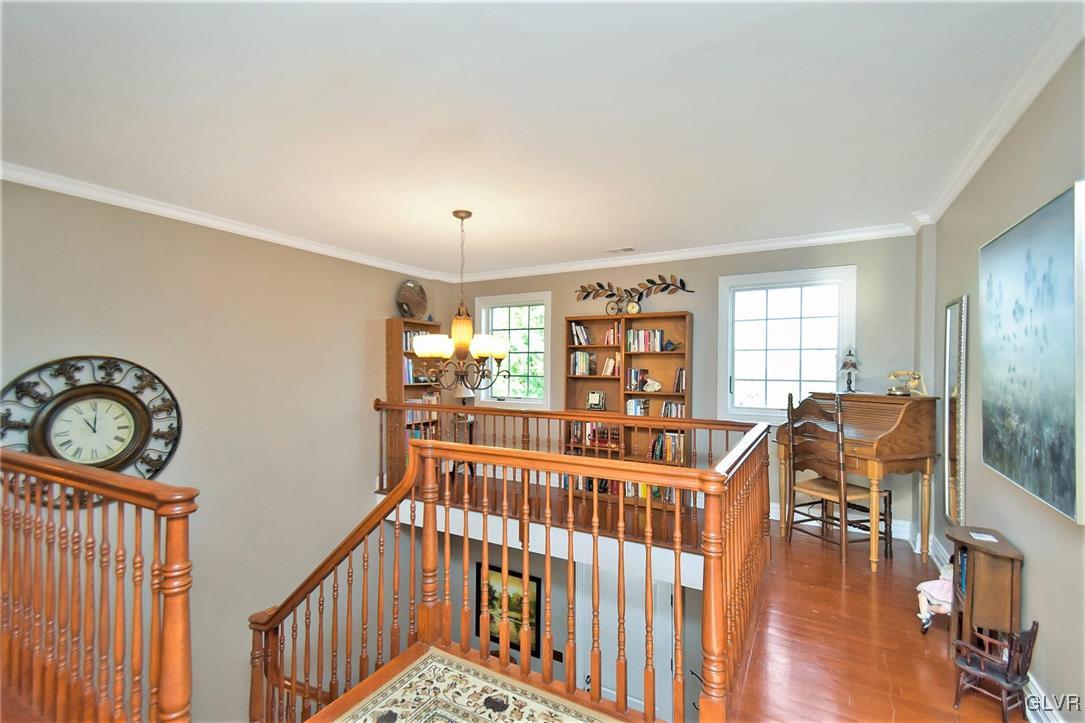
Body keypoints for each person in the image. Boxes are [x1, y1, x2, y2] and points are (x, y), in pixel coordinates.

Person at [917, 561, 954, 633]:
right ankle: (925, 618)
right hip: (943, 589)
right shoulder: (950, 570)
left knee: (943, 609)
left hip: (950, 595)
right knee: (922, 595)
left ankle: (927, 609)